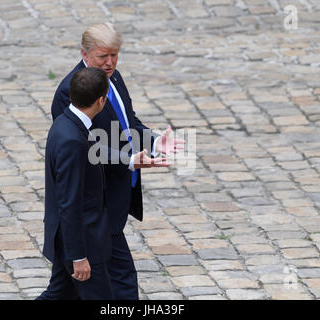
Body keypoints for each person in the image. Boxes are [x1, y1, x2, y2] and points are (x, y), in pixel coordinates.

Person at [51, 23, 184, 300]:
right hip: (96, 204)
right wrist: (128, 160)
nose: (110, 62)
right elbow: (85, 147)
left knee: (62, 291)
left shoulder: (114, 78)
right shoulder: (71, 91)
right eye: (103, 56)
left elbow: (128, 123)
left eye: (114, 55)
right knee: (121, 281)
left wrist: (154, 140)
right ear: (85, 55)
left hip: (113, 198)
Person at [37, 67, 113, 300]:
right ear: (101, 100)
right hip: (82, 241)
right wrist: (78, 256)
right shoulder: (72, 139)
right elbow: (69, 201)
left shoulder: (63, 123)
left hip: (66, 237)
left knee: (58, 294)